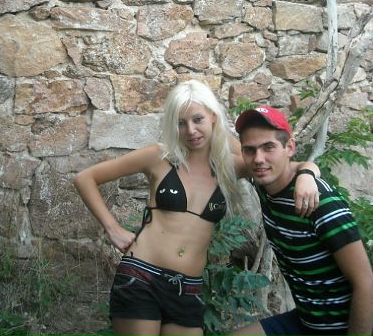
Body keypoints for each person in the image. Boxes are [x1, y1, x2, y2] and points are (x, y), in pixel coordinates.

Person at [73, 80, 320, 336]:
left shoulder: (230, 166)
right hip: (141, 276)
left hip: (188, 288)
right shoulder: (159, 157)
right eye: (181, 123)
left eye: (198, 119)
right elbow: (85, 178)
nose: (190, 130)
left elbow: (288, 166)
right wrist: (112, 229)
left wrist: (308, 174)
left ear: (213, 116)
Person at [227, 105, 373, 336]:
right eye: (250, 150)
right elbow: (219, 140)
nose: (258, 159)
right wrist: (308, 170)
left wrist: (307, 173)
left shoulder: (321, 203)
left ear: (290, 147)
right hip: (305, 321)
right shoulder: (264, 181)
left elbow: (365, 283)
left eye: (268, 147)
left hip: (341, 327)